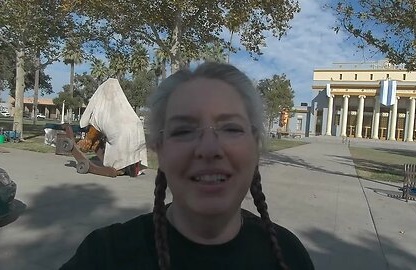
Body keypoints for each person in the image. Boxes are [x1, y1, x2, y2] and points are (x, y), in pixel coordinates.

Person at [60, 62, 314, 270]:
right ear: (159, 147)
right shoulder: (104, 257)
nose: (209, 149)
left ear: (256, 145)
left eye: (231, 128)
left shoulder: (289, 255)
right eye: (183, 130)